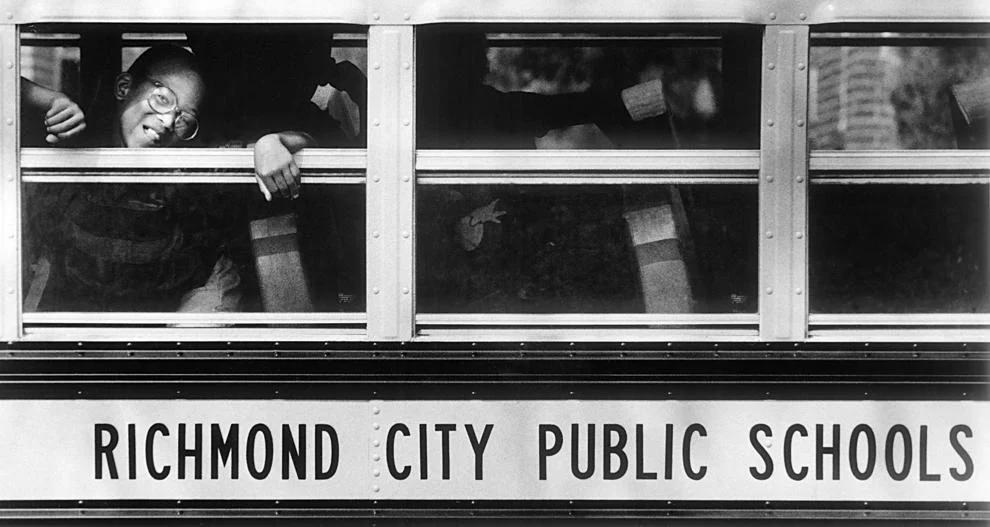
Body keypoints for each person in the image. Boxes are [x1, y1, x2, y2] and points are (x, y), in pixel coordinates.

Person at [24, 45, 243, 313]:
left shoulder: (187, 172)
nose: (167, 120)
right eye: (163, 98)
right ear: (123, 87)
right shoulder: (73, 136)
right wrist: (50, 100)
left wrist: (273, 143)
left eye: (185, 117)